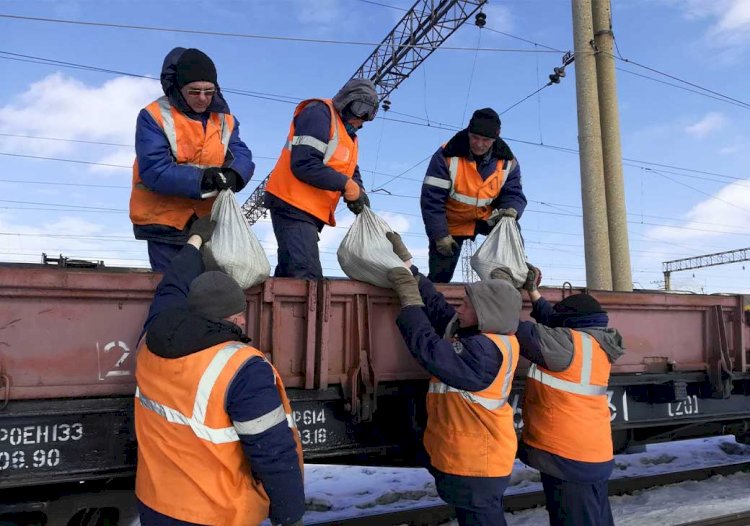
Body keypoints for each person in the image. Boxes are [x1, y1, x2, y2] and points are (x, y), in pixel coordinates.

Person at [133, 216, 304, 526]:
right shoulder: (242, 368)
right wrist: (289, 513)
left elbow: (171, 286)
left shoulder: (153, 338)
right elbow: (272, 450)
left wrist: (194, 241)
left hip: (155, 504)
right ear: (237, 318)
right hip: (214, 514)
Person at [384, 232, 522, 526]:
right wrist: (411, 270)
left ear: (487, 313)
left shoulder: (484, 351)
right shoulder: (485, 336)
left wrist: (409, 302)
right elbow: (438, 308)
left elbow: (429, 349)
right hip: (472, 460)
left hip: (477, 464)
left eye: (467, 306)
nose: (459, 309)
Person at [513, 264, 625, 526]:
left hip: (567, 454)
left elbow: (515, 327)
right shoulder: (596, 341)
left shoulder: (568, 344)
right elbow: (554, 322)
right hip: (590, 450)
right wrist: (532, 292)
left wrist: (501, 290)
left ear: (571, 325)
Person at [130, 47, 255, 272]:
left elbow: (240, 153)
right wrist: (205, 178)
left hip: (208, 224)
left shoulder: (225, 120)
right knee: (174, 290)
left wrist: (235, 174)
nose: (203, 98)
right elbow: (154, 169)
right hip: (166, 224)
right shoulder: (153, 116)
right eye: (194, 91)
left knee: (209, 296)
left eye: (209, 91)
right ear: (178, 88)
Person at [264, 79, 378, 279]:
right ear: (346, 102)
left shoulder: (347, 135)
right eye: (360, 109)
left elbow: (350, 168)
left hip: (306, 209)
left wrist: (358, 190)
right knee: (306, 276)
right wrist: (346, 185)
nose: (362, 119)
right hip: (291, 204)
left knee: (289, 273)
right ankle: (307, 311)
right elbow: (304, 162)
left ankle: (271, 309)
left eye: (369, 114)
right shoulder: (319, 113)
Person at [421, 107, 527, 283]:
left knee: (511, 230)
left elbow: (513, 193)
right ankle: (434, 300)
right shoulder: (446, 155)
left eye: (485, 140)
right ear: (468, 132)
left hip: (488, 218)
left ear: (495, 138)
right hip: (451, 224)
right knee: (440, 277)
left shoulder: (508, 162)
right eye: (475, 137)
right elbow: (431, 200)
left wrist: (511, 210)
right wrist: (440, 235)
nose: (479, 144)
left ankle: (515, 280)